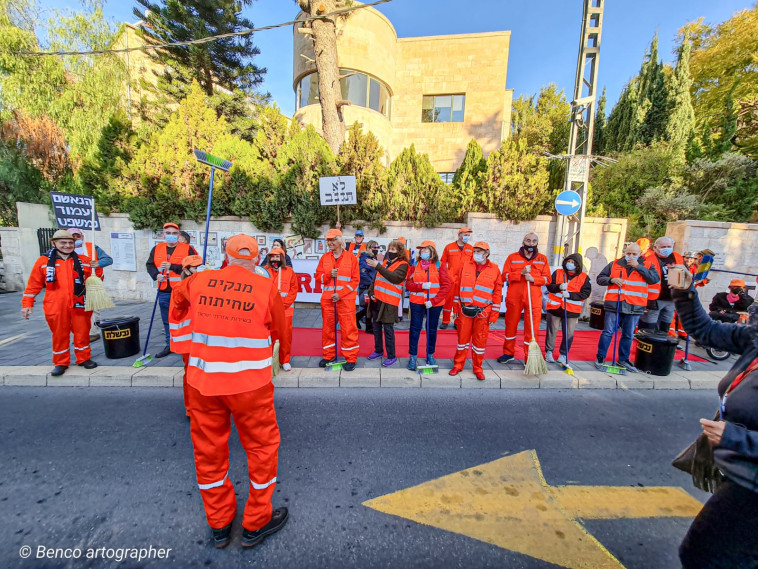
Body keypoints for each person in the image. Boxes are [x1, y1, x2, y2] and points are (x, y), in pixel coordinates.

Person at [171, 234, 288, 549]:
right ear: (256, 257)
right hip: (250, 386)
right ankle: (256, 522)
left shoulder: (201, 280)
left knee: (209, 454)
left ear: (226, 254)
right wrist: (281, 357)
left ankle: (220, 523)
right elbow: (280, 329)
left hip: (203, 384)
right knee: (262, 450)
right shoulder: (265, 287)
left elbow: (177, 298)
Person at [668, 266, 758, 569]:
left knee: (703, 556)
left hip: (751, 490)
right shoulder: (754, 342)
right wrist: (684, 292)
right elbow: (705, 330)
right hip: (738, 474)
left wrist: (735, 437)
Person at [21, 230, 101, 376]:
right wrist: (27, 303)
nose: (67, 245)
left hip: (80, 303)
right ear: (54, 243)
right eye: (63, 242)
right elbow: (34, 284)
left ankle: (84, 358)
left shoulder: (84, 260)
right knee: (59, 334)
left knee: (82, 332)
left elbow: (97, 279)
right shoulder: (43, 262)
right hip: (55, 305)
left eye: (70, 242)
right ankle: (61, 362)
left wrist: (97, 268)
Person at [594, 242, 659, 372]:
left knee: (628, 334)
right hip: (615, 304)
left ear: (640, 254)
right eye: (628, 253)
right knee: (608, 332)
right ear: (624, 252)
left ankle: (623, 359)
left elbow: (654, 279)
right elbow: (600, 278)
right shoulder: (614, 264)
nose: (630, 256)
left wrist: (639, 267)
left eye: (634, 254)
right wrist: (611, 280)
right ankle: (600, 357)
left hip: (635, 305)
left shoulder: (647, 265)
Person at [449, 242, 503, 380]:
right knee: (462, 340)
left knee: (480, 342)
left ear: (487, 253)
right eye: (475, 250)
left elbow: (497, 294)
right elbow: (457, 288)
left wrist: (494, 315)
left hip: (483, 312)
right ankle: (458, 365)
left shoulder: (495, 269)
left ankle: (477, 368)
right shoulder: (466, 265)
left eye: (480, 251)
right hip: (465, 310)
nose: (477, 253)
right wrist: (455, 307)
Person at [497, 233, 551, 364]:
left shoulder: (542, 259)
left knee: (532, 328)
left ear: (537, 243)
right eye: (528, 240)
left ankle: (529, 357)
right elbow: (504, 276)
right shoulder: (512, 257)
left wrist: (534, 279)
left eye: (534, 241)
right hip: (514, 297)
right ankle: (508, 353)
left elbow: (548, 279)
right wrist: (519, 273)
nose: (531, 243)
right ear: (523, 242)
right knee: (510, 325)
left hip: (534, 299)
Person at [146, 223, 198, 358]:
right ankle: (169, 344)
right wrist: (155, 275)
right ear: (163, 235)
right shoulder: (157, 248)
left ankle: (187, 343)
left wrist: (172, 266)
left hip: (183, 291)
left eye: (174, 233)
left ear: (179, 235)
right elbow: (150, 265)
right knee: (166, 319)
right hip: (163, 289)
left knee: (186, 318)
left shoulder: (187, 249)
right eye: (168, 233)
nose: (171, 236)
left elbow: (194, 268)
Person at [314, 229, 360, 371]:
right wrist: (328, 274)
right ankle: (329, 356)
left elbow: (355, 281)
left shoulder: (351, 258)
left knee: (348, 329)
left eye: (333, 239)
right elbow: (318, 277)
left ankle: (351, 358)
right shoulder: (324, 258)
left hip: (345, 300)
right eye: (328, 240)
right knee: (328, 330)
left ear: (340, 241)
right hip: (328, 300)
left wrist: (340, 294)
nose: (330, 243)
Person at [405, 240, 451, 371]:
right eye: (421, 250)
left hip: (434, 304)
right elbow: (408, 284)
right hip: (417, 303)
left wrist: (434, 301)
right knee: (415, 329)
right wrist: (421, 286)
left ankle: (430, 355)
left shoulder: (439, 265)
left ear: (432, 251)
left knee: (431, 330)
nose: (423, 252)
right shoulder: (415, 264)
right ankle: (413, 356)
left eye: (426, 249)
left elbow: (446, 286)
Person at [168, 254, 204, 416]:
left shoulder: (201, 285)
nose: (199, 270)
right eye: (196, 267)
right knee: (191, 374)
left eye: (201, 266)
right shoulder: (181, 287)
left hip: (200, 338)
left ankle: (201, 405)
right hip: (188, 339)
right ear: (187, 270)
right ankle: (192, 408)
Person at [366, 239, 409, 367]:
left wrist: (378, 266)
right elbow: (376, 278)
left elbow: (395, 278)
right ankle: (378, 350)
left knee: (388, 330)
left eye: (393, 250)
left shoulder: (403, 265)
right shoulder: (385, 262)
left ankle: (391, 356)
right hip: (376, 300)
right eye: (389, 249)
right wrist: (370, 291)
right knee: (376, 328)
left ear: (400, 252)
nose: (390, 252)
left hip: (389, 303)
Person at [67, 227, 114, 342]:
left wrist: (98, 263)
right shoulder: (65, 250)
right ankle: (80, 331)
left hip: (92, 282)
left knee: (93, 308)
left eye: (78, 236)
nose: (75, 238)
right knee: (77, 310)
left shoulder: (91, 247)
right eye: (72, 236)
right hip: (74, 285)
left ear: (82, 236)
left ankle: (94, 332)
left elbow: (108, 259)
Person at [544, 253, 592, 365]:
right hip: (555, 308)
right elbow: (549, 286)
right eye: (568, 261)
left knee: (568, 333)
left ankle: (563, 354)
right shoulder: (558, 273)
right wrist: (559, 287)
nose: (570, 264)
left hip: (572, 311)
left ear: (578, 265)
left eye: (573, 262)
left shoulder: (584, 277)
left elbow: (585, 293)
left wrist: (570, 295)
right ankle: (549, 352)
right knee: (552, 331)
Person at [638, 236, 684, 334]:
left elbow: (685, 274)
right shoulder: (647, 260)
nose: (666, 249)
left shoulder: (677, 257)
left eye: (669, 246)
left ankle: (660, 346)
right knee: (648, 327)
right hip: (654, 299)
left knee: (665, 326)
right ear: (655, 247)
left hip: (671, 298)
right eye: (663, 247)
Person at [266, 246, 298, 371]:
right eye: (272, 256)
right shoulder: (264, 271)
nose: (275, 258)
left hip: (286, 310)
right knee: (269, 336)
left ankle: (285, 360)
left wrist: (283, 305)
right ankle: (269, 360)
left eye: (277, 256)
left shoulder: (289, 271)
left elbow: (293, 290)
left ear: (282, 258)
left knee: (285, 336)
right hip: (269, 310)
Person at [439, 228, 474, 329]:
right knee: (448, 300)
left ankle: (457, 322)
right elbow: (442, 262)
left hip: (463, 280)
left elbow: (472, 265)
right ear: (459, 235)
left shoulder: (470, 249)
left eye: (468, 235)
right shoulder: (449, 247)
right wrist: (444, 276)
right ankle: (445, 321)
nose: (467, 237)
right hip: (450, 279)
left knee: (460, 301)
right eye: (465, 235)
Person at [356, 240, 379, 332]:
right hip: (366, 286)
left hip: (370, 285)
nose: (376, 250)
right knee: (369, 307)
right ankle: (368, 327)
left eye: (377, 248)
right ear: (369, 248)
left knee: (369, 307)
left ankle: (366, 325)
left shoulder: (372, 258)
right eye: (374, 248)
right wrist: (371, 284)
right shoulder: (365, 258)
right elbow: (363, 274)